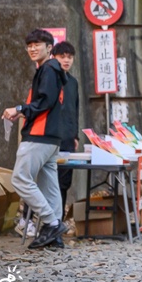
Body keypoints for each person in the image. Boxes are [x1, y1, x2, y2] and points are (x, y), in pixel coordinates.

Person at [2, 29, 68, 250]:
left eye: (37, 44)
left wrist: (20, 108)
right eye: (29, 45)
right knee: (50, 186)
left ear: (49, 48)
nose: (32, 48)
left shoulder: (48, 69)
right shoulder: (53, 70)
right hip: (52, 137)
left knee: (20, 178)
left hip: (39, 135)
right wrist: (24, 111)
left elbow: (45, 101)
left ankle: (52, 224)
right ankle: (55, 237)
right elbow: (46, 102)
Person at [53, 41, 80, 240]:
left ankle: (59, 221)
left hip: (69, 139)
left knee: (64, 182)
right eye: (62, 56)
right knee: (48, 180)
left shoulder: (73, 82)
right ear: (54, 57)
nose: (66, 60)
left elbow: (75, 110)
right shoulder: (50, 79)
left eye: (69, 57)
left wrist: (75, 135)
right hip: (51, 138)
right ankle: (45, 221)